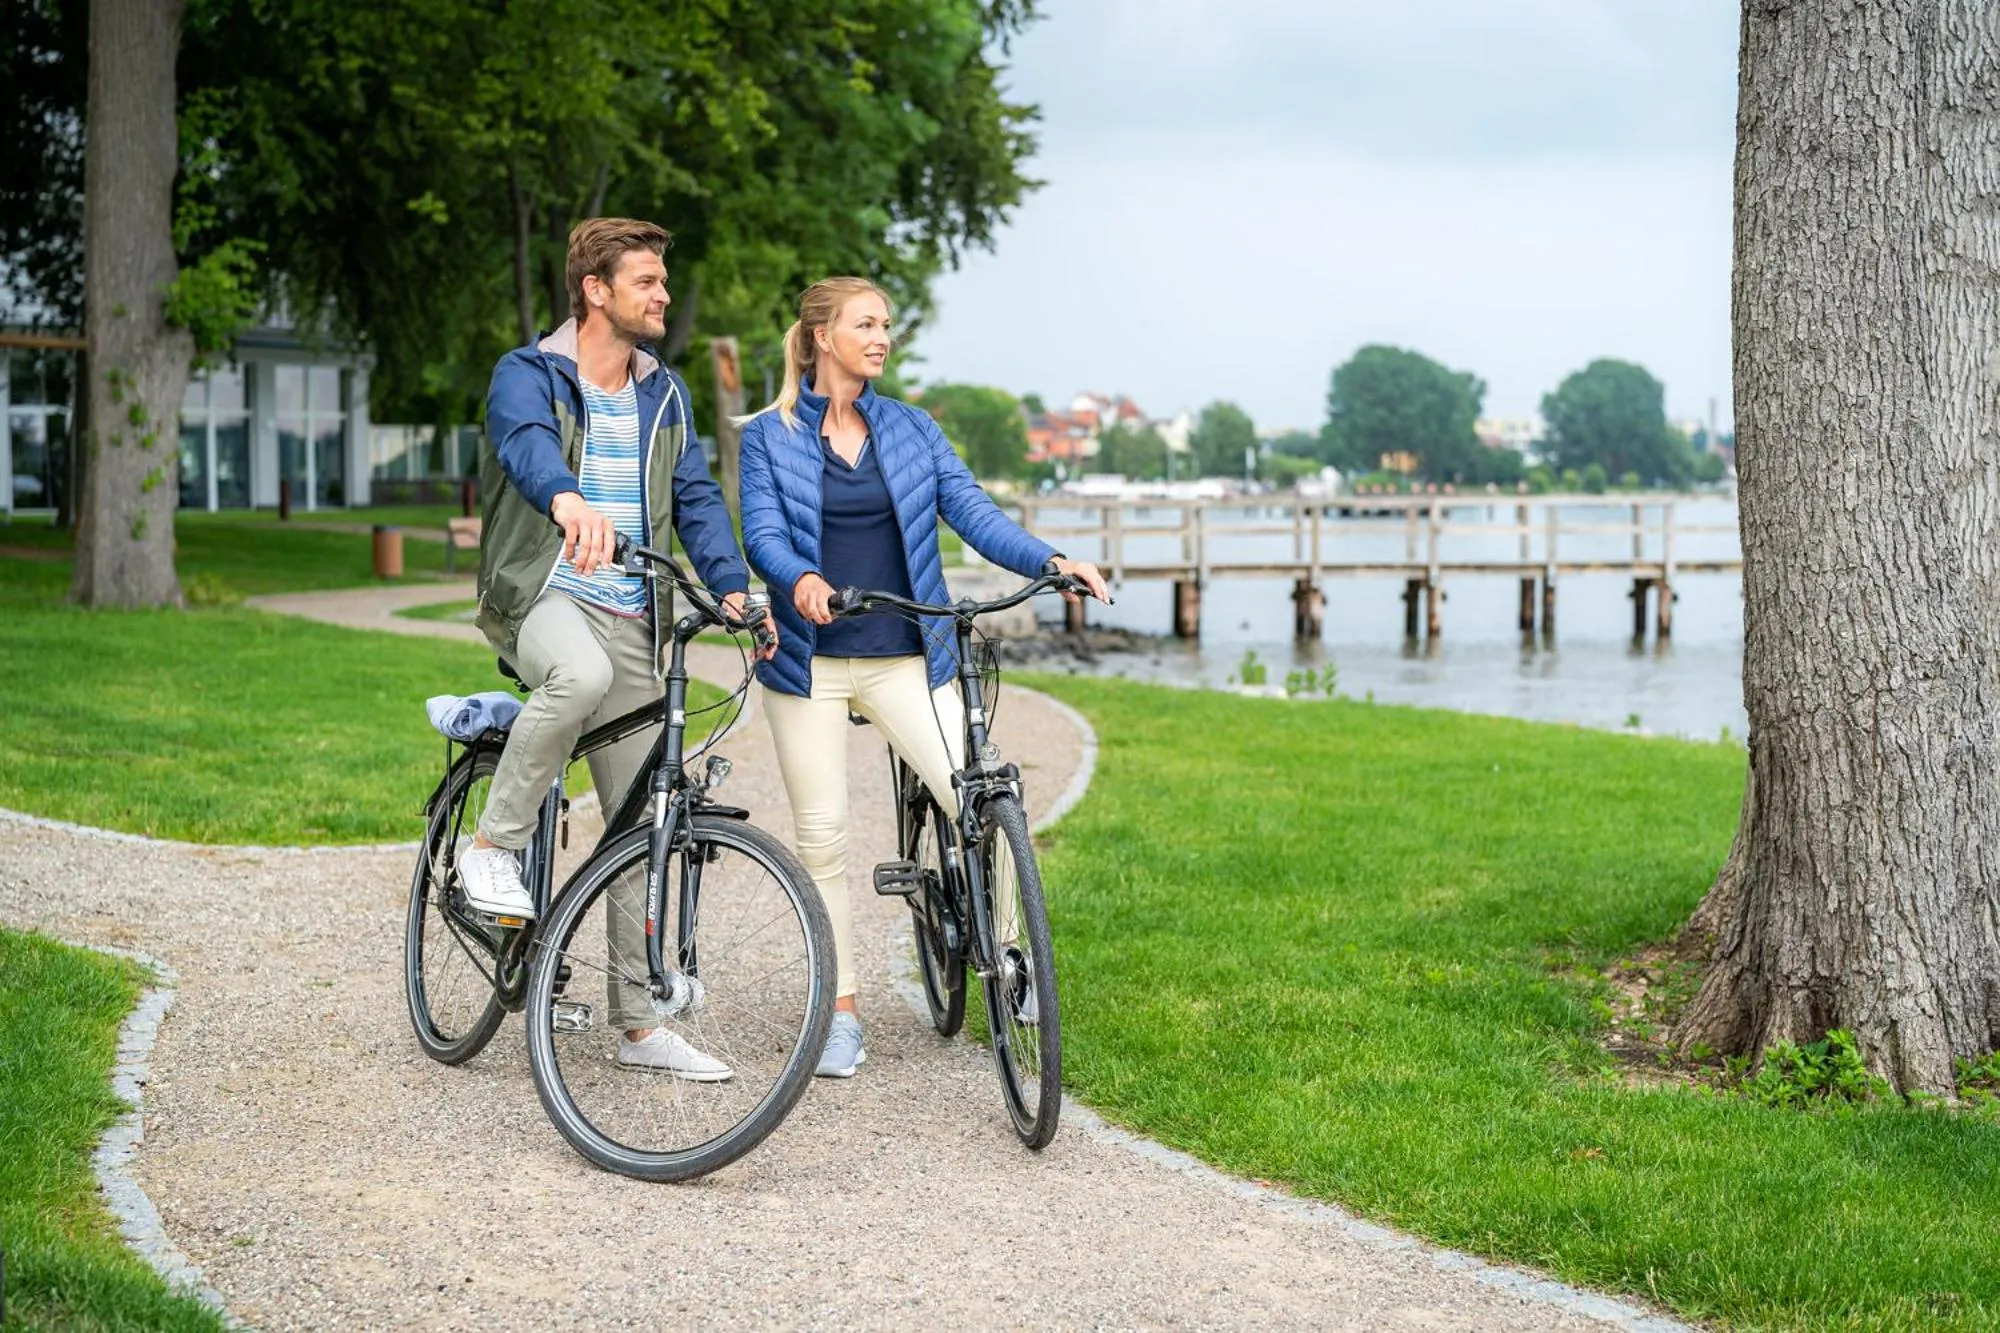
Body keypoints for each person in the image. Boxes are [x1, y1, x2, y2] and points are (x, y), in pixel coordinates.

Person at [737, 277, 1109, 1078]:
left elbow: (972, 510)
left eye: (887, 326)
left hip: (908, 650)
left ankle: (1012, 958)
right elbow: (763, 531)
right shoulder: (769, 437)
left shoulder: (910, 430)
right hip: (810, 663)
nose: (882, 338)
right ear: (822, 335)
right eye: (866, 324)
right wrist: (800, 580)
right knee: (824, 836)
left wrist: (1049, 559)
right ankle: (838, 1011)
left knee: (979, 793)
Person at [463, 217, 771, 1080]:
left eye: (663, 281)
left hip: (635, 609)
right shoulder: (529, 374)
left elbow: (699, 500)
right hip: (543, 592)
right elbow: (522, 444)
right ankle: (489, 846)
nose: (663, 294)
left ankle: (639, 1026)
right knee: (580, 672)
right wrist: (566, 501)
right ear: (597, 291)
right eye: (647, 281)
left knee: (642, 820)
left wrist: (735, 587)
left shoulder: (663, 396)